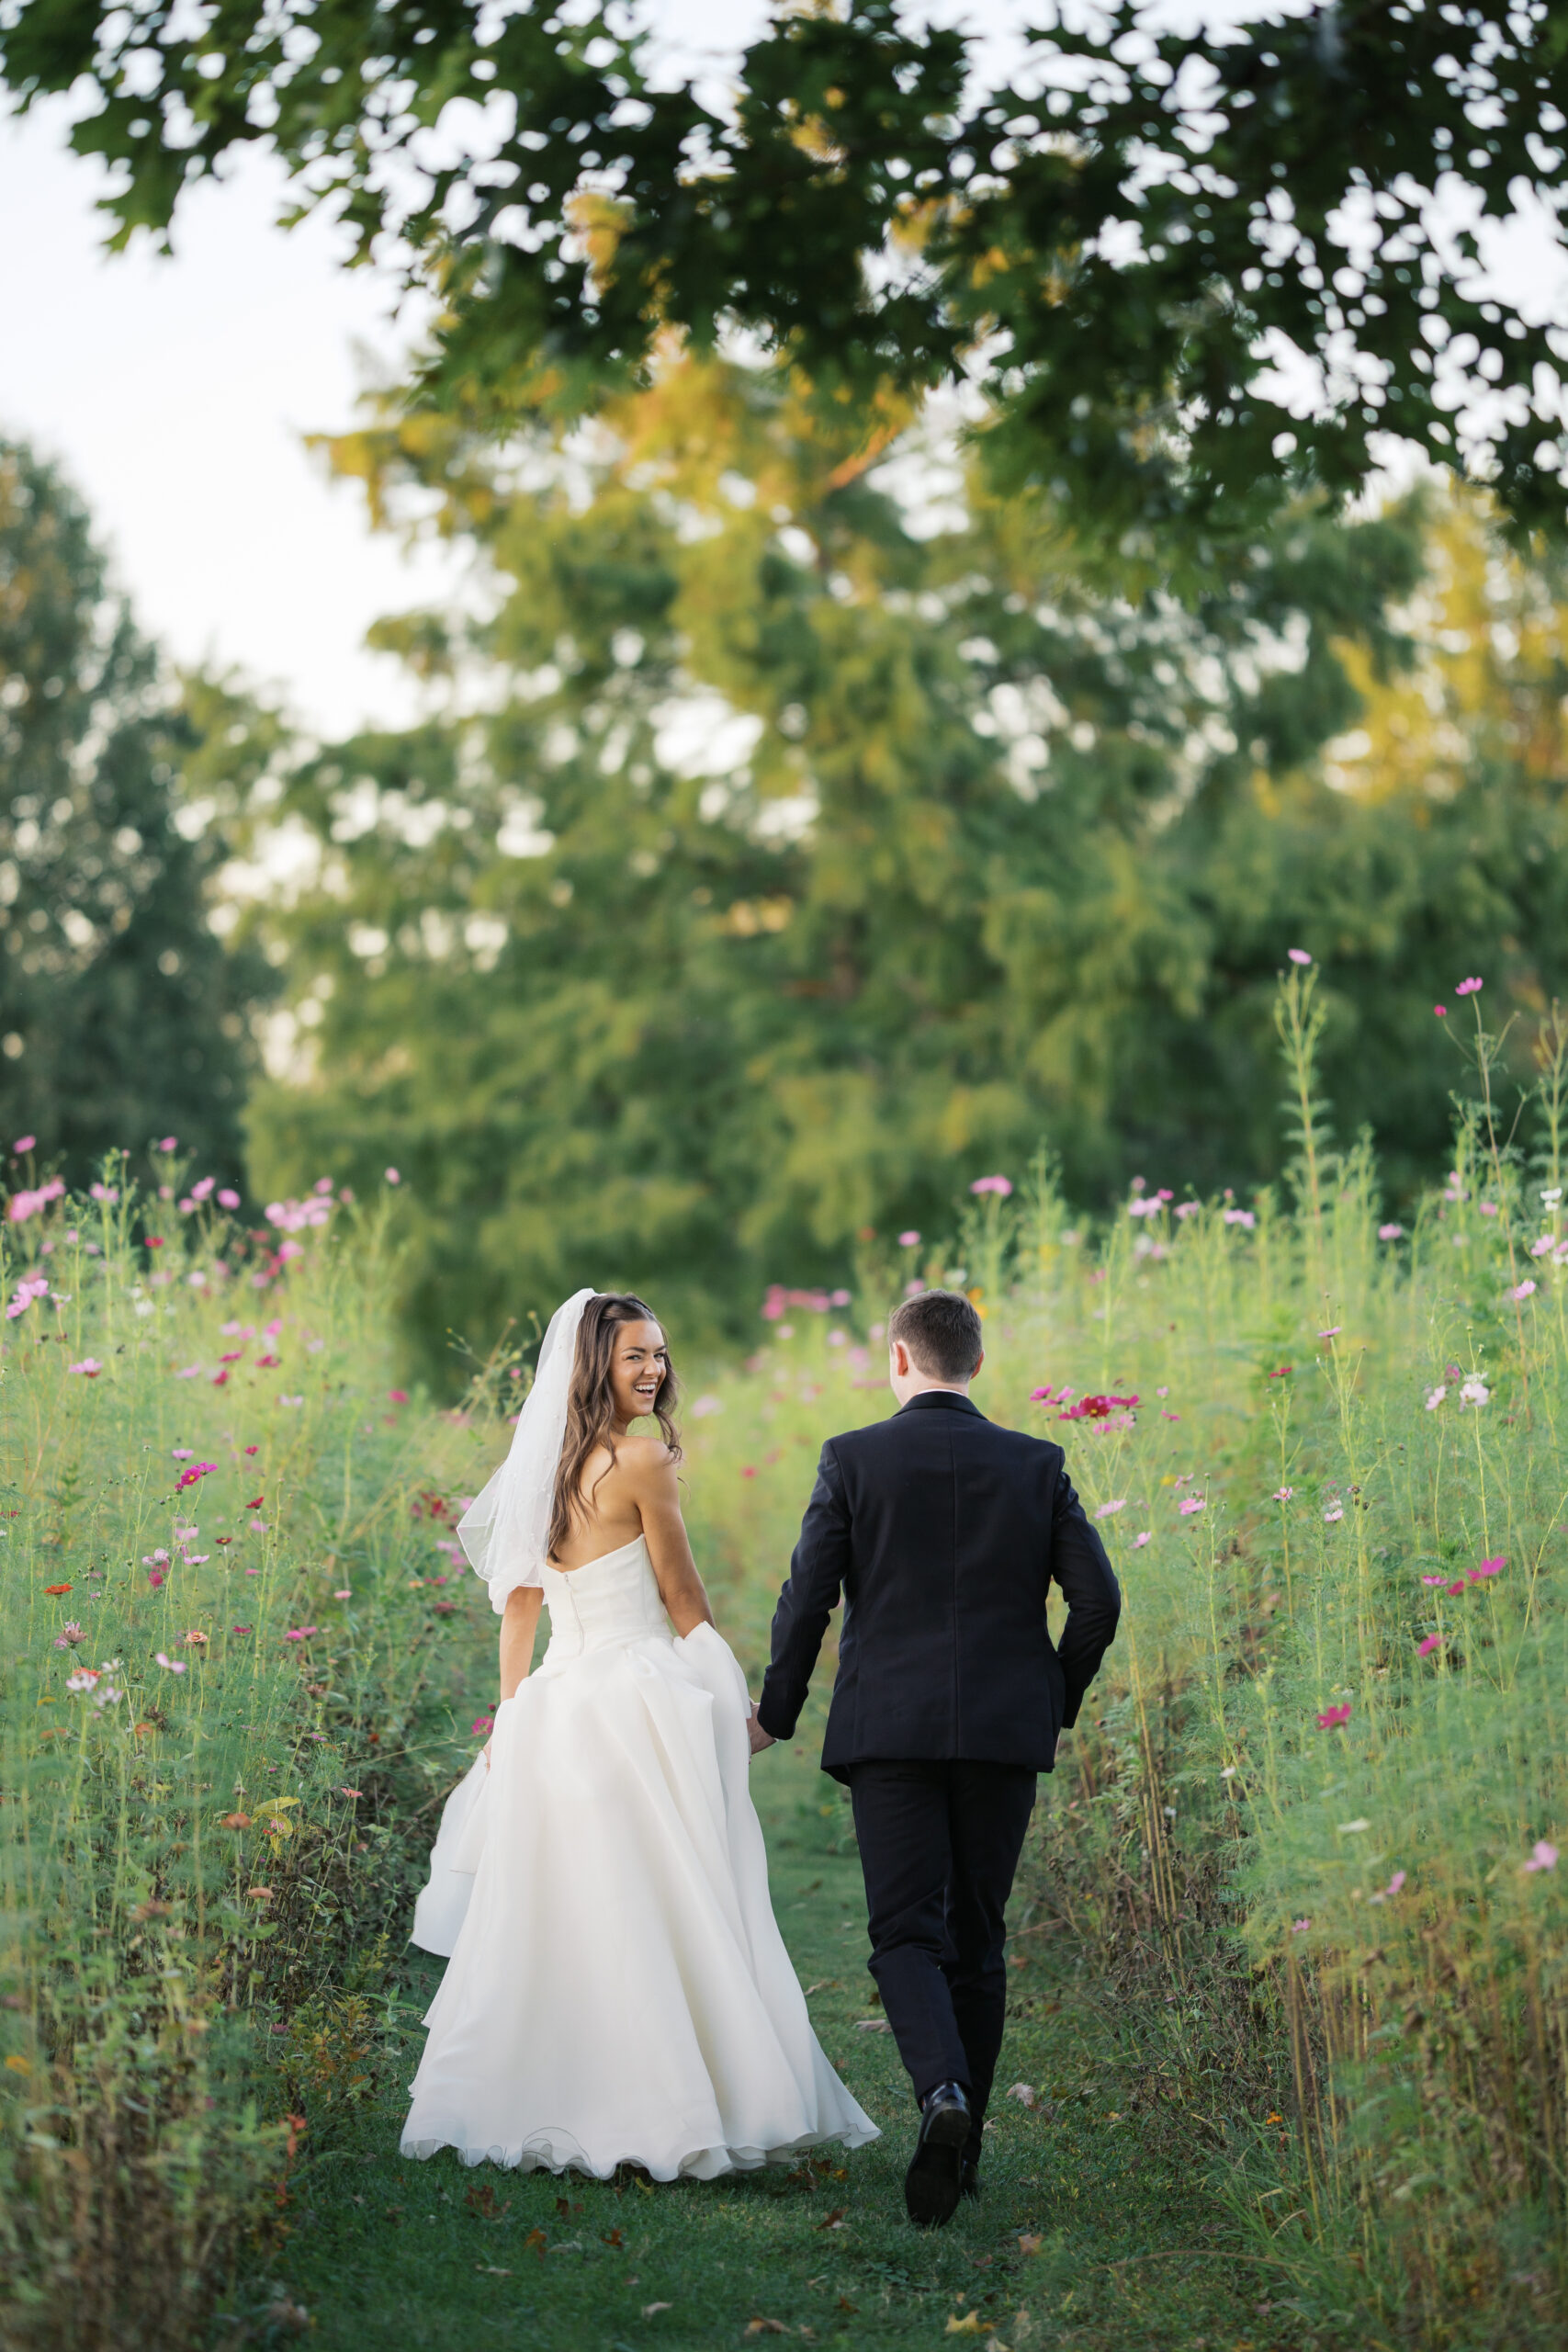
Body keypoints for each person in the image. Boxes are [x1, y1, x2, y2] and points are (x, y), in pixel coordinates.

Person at [402, 1289, 877, 2181]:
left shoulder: (545, 1466)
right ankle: (672, 2109)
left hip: (556, 1706)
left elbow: (520, 1612)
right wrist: (735, 1702)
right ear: (597, 1368)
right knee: (667, 1901)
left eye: (660, 1353)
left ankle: (557, 2098)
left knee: (579, 1910)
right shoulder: (641, 1460)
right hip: (638, 1697)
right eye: (635, 1357)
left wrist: (513, 1720)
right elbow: (685, 1599)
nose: (654, 1369)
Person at [750, 1288, 1122, 2227]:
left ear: (900, 1361)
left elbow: (808, 1600)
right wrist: (1053, 1696)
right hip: (1004, 1733)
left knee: (905, 1933)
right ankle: (968, 2149)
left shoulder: (854, 1458)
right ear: (978, 1364)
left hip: (892, 1731)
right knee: (980, 1938)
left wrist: (777, 1713)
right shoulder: (1038, 1463)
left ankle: (941, 2098)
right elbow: (1098, 1602)